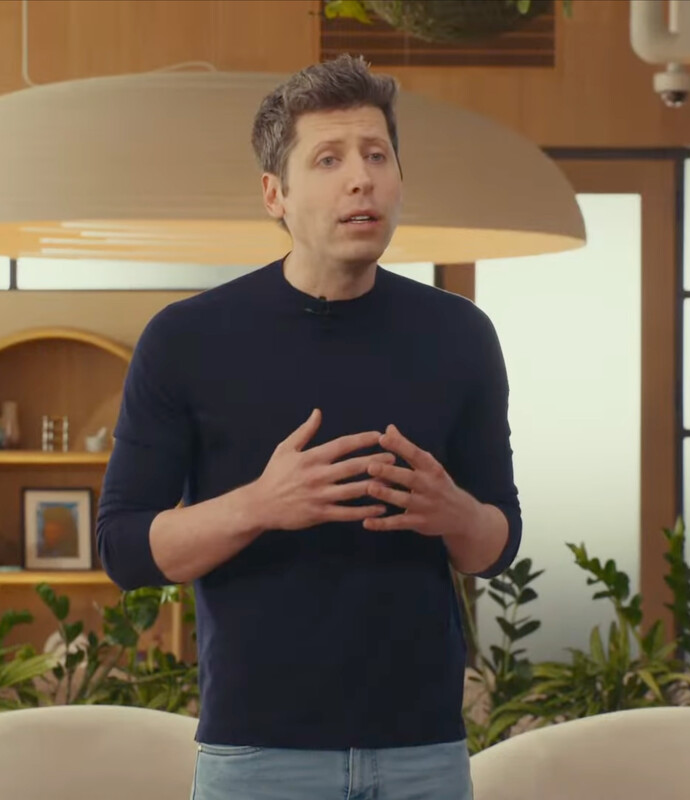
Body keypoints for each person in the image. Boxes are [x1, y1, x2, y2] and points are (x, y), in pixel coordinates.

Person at [96, 53, 521, 800]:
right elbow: (124, 548)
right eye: (329, 159)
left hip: (423, 753)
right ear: (276, 194)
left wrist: (453, 512)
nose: (361, 179)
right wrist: (260, 505)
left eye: (376, 155)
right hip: (258, 754)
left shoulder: (461, 336)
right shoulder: (187, 340)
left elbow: (497, 545)